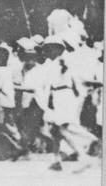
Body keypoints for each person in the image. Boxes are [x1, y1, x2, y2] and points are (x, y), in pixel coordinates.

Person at [41, 35, 97, 173]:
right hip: (56, 96)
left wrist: (64, 67)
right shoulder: (51, 63)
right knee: (57, 131)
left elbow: (71, 76)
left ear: (58, 49)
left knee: (62, 128)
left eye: (51, 48)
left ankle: (92, 141)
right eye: (47, 48)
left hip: (64, 96)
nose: (48, 51)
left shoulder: (63, 61)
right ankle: (58, 161)